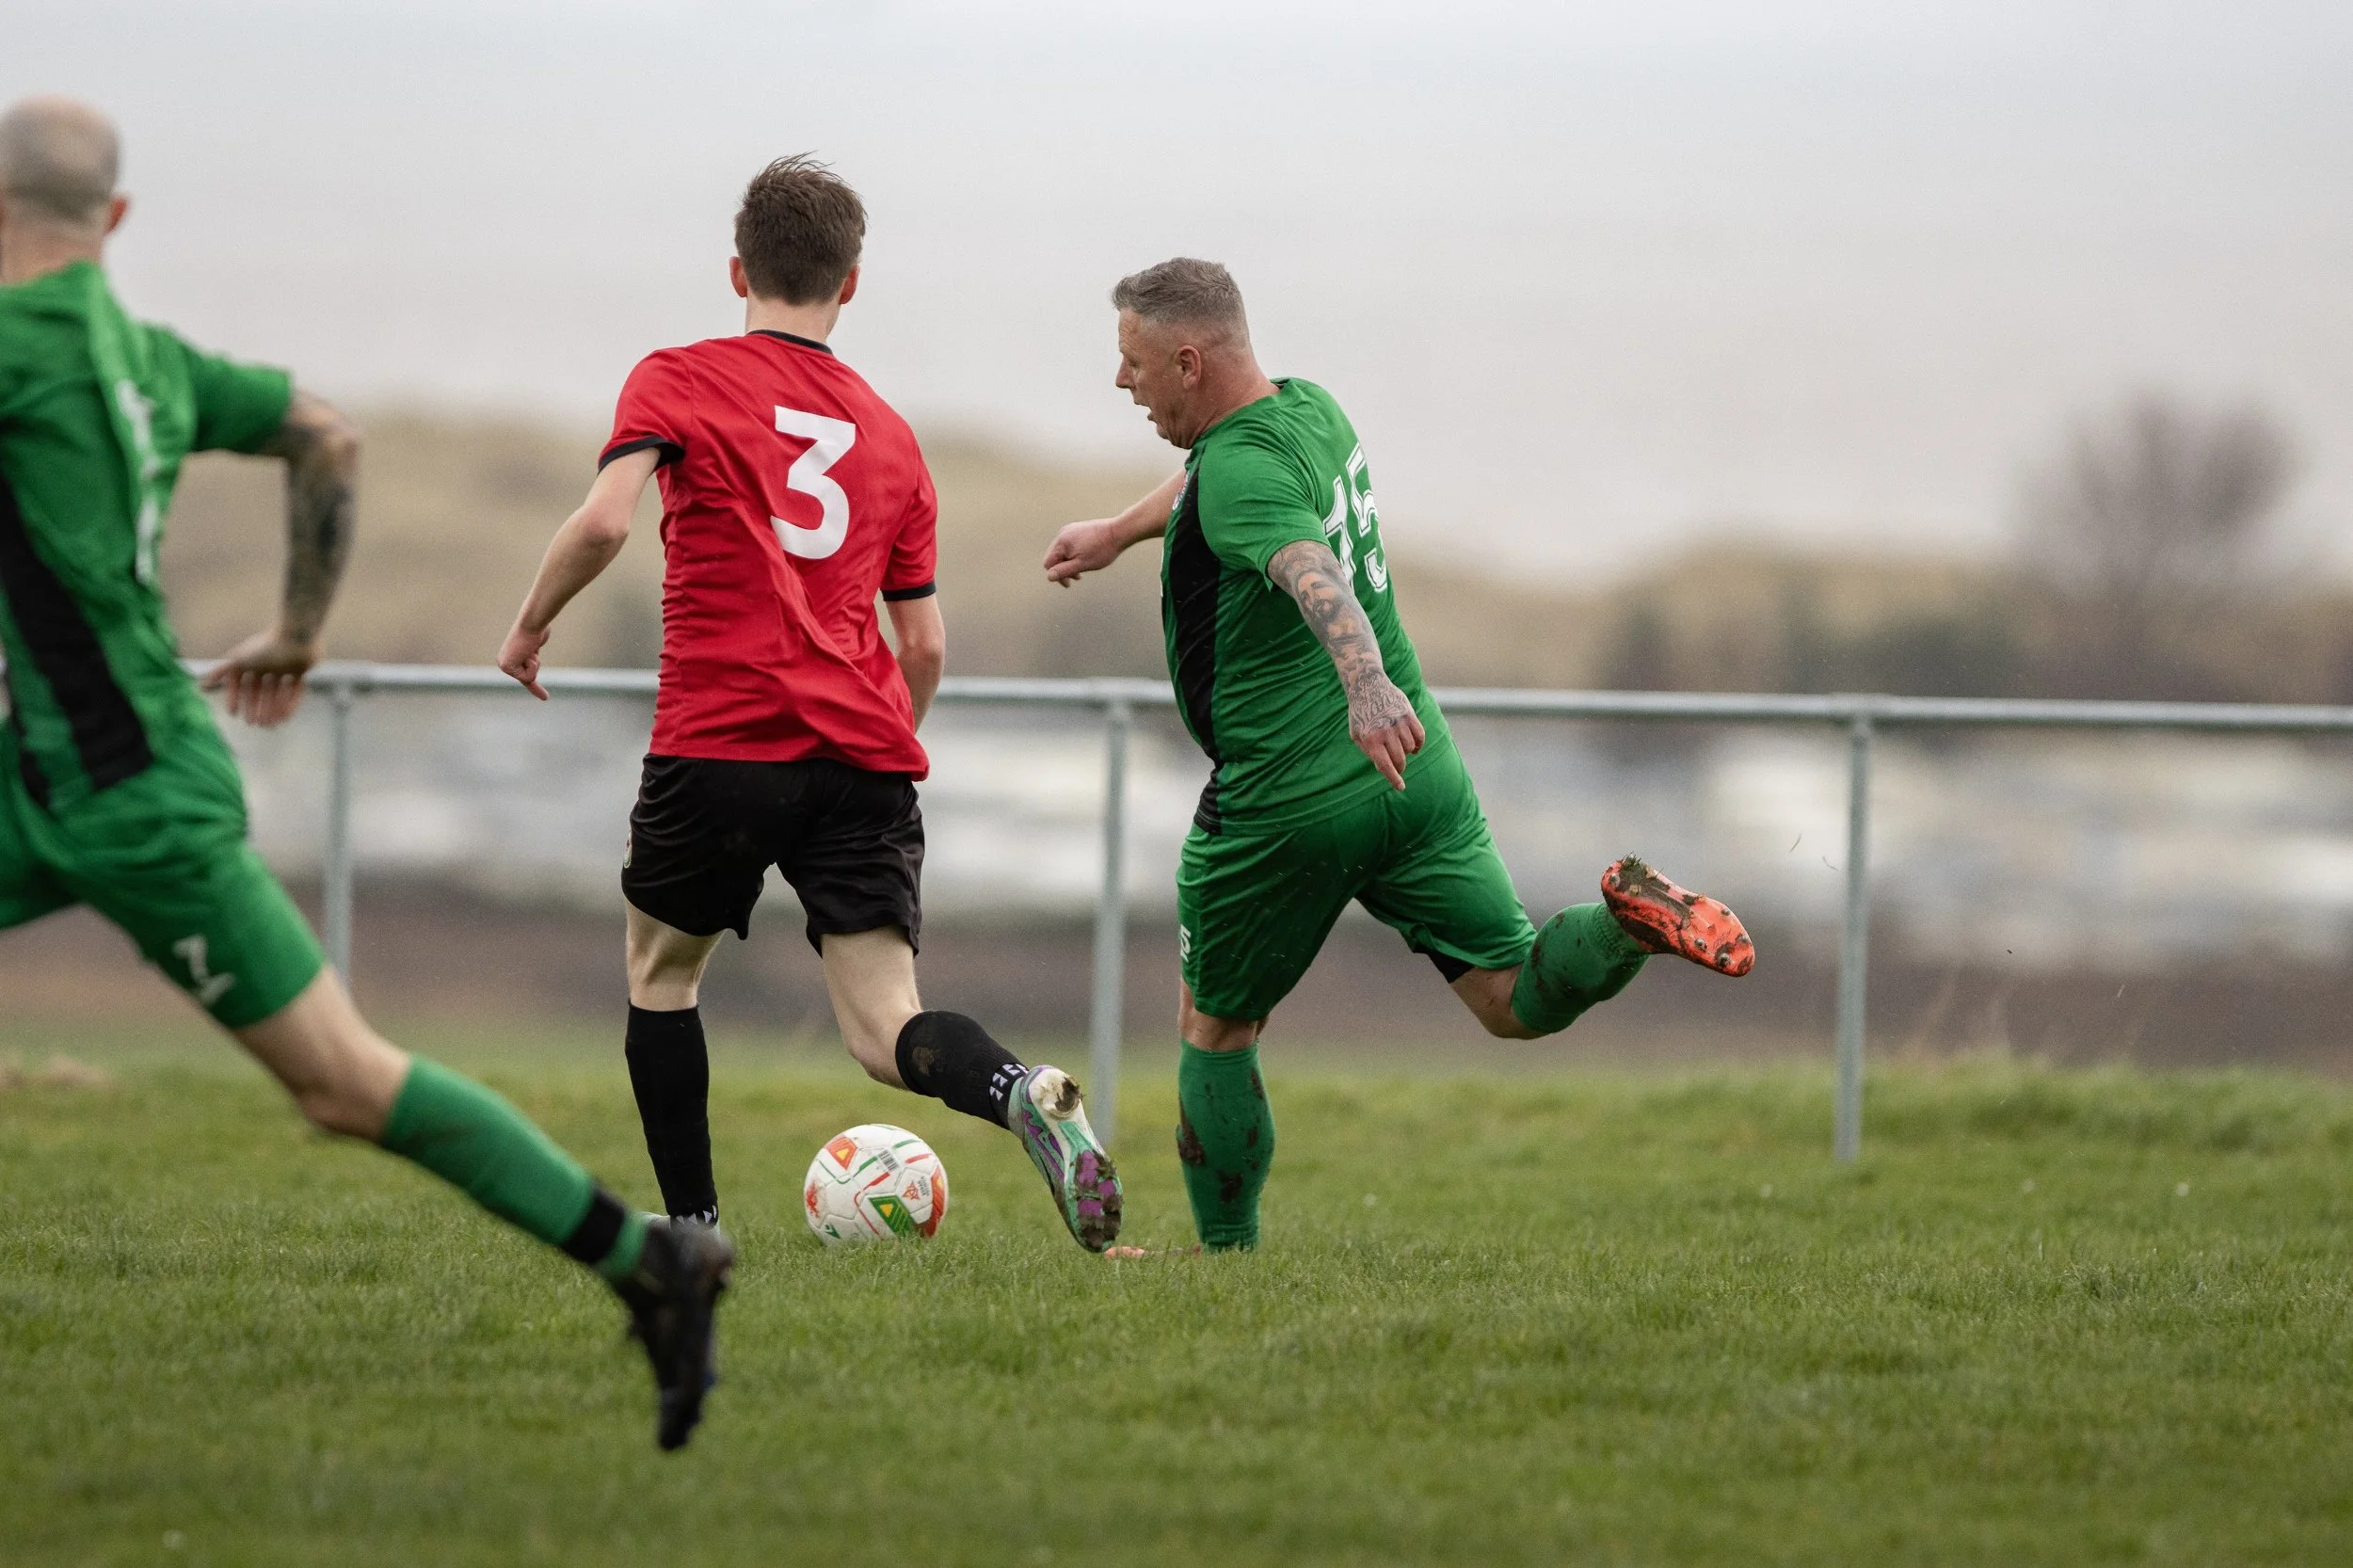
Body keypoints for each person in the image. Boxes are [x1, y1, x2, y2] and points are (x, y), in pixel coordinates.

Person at [0, 97, 731, 1449]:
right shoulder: (147, 360)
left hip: (127, 800)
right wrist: (298, 629)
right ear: (113, 222)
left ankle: (650, 1259)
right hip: (51, 768)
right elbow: (325, 433)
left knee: (341, 1079)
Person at [1042, 258, 1757, 1252]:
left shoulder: (1242, 471)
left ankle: (1226, 1259)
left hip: (1290, 798)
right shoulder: (1308, 410)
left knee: (1216, 1029)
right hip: (1417, 773)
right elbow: (1222, 487)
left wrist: (1361, 681)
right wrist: (1120, 532)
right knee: (1513, 999)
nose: (1123, 382)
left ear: (1189, 360)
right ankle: (1622, 924)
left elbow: (1305, 564)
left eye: (1133, 363)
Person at [499, 156, 1122, 1253]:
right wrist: (875, 748)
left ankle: (692, 1224)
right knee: (886, 1029)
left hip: (721, 739)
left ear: (737, 266)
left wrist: (531, 621)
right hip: (864, 758)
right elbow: (921, 640)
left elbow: (603, 524)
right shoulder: (891, 435)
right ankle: (1019, 1087)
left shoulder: (678, 376)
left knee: (661, 972)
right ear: (852, 283)